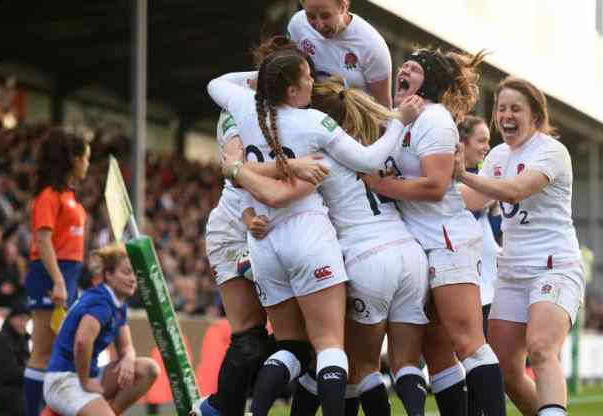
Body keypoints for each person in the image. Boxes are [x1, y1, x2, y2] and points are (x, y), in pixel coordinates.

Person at [207, 48, 421, 416]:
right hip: (311, 236)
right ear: (291, 90)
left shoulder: (244, 107)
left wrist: (265, 81)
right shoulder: (315, 126)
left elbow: (216, 84)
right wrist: (399, 120)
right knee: (329, 346)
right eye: (305, 76)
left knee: (292, 344)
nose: (312, 81)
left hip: (264, 242)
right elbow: (370, 160)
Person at [363, 48, 507, 416]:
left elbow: (436, 186)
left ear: (430, 82)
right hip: (417, 243)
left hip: (447, 240)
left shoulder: (436, 120)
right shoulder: (404, 120)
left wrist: (383, 186)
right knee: (437, 349)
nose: (404, 69)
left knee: (468, 342)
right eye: (404, 65)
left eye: (415, 67)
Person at [196, 36, 327, 416]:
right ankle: (219, 410)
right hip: (237, 228)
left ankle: (221, 407)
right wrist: (293, 165)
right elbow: (234, 170)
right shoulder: (237, 109)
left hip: (277, 229)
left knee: (306, 340)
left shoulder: (296, 112)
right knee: (252, 338)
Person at [454, 76, 585, 416]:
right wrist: (425, 189)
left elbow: (513, 190)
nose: (506, 115)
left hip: (555, 266)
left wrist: (461, 174)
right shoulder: (498, 155)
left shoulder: (551, 151)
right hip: (512, 272)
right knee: (505, 371)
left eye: (516, 108)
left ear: (535, 115)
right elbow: (474, 199)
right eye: (501, 108)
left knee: (541, 349)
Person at [43, 244, 160, 416]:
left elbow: (126, 346)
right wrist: (85, 382)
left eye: (135, 273)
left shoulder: (117, 302)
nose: (133, 278)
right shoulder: (101, 302)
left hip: (88, 375)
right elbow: (82, 341)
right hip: (64, 379)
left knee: (148, 370)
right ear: (109, 275)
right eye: (127, 272)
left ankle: (111, 412)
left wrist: (128, 358)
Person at [23, 129, 91, 416]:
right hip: (50, 276)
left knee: (57, 353)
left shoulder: (70, 196)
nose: (88, 164)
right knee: (42, 351)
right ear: (74, 160)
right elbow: (42, 240)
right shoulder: (49, 196)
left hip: (68, 275)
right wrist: (59, 281)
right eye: (86, 158)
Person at [457, 114, 501, 416]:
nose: (487, 146)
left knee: (481, 358)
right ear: (463, 143)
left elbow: (496, 230)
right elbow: (469, 211)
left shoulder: (484, 181)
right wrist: (494, 193)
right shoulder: (456, 178)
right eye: (481, 140)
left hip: (487, 282)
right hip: (464, 277)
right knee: (470, 357)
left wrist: (495, 205)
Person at [289, 0, 393, 107]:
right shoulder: (298, 24)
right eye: (311, 16)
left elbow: (383, 107)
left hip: (352, 120)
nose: (319, 25)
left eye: (326, 16)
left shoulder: (372, 45)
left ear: (343, 7)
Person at [0, 302, 31, 416]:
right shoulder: (2, 340)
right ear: (11, 319)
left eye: (26, 320)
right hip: (5, 396)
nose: (23, 323)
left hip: (15, 392)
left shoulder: (22, 339)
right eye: (20, 319)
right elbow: (10, 373)